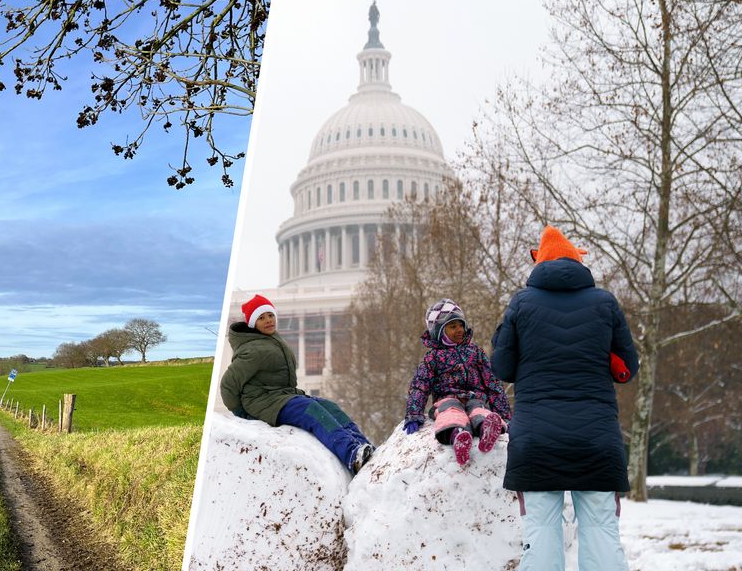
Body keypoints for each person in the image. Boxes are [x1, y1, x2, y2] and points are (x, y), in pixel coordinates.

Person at [491, 225, 638, 571]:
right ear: (578, 262)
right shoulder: (605, 303)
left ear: (537, 263)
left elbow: (502, 367)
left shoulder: (521, 304)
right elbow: (627, 369)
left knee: (540, 532)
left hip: (537, 442)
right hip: (596, 440)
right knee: (601, 531)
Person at [220, 294, 375, 474]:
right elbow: (227, 385)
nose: (268, 320)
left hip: (280, 396)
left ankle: (363, 446)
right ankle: (351, 455)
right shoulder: (252, 349)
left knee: (330, 407)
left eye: (270, 315)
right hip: (264, 403)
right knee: (310, 410)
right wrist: (242, 413)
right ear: (253, 323)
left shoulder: (270, 339)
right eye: (261, 318)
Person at [401, 299, 512, 466]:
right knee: (450, 412)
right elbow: (420, 386)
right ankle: (458, 435)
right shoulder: (432, 358)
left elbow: (492, 383)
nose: (459, 330)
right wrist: (413, 414)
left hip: (475, 397)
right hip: (447, 398)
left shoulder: (475, 352)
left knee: (479, 410)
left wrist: (504, 414)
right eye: (453, 327)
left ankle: (487, 429)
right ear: (439, 331)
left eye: (461, 325)